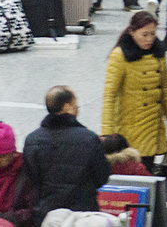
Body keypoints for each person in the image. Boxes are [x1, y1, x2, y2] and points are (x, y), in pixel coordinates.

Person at [100, 11, 167, 167]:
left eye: (153, 34)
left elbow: (165, 90)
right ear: (132, 32)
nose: (149, 39)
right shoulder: (120, 55)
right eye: (144, 35)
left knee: (149, 167)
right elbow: (109, 96)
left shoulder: (159, 53)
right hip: (130, 127)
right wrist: (107, 134)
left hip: (153, 126)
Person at [22, 87, 111, 216]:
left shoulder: (32, 140)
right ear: (66, 107)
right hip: (82, 214)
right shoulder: (89, 138)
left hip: (47, 214)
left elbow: (31, 179)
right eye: (75, 102)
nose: (78, 107)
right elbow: (101, 177)